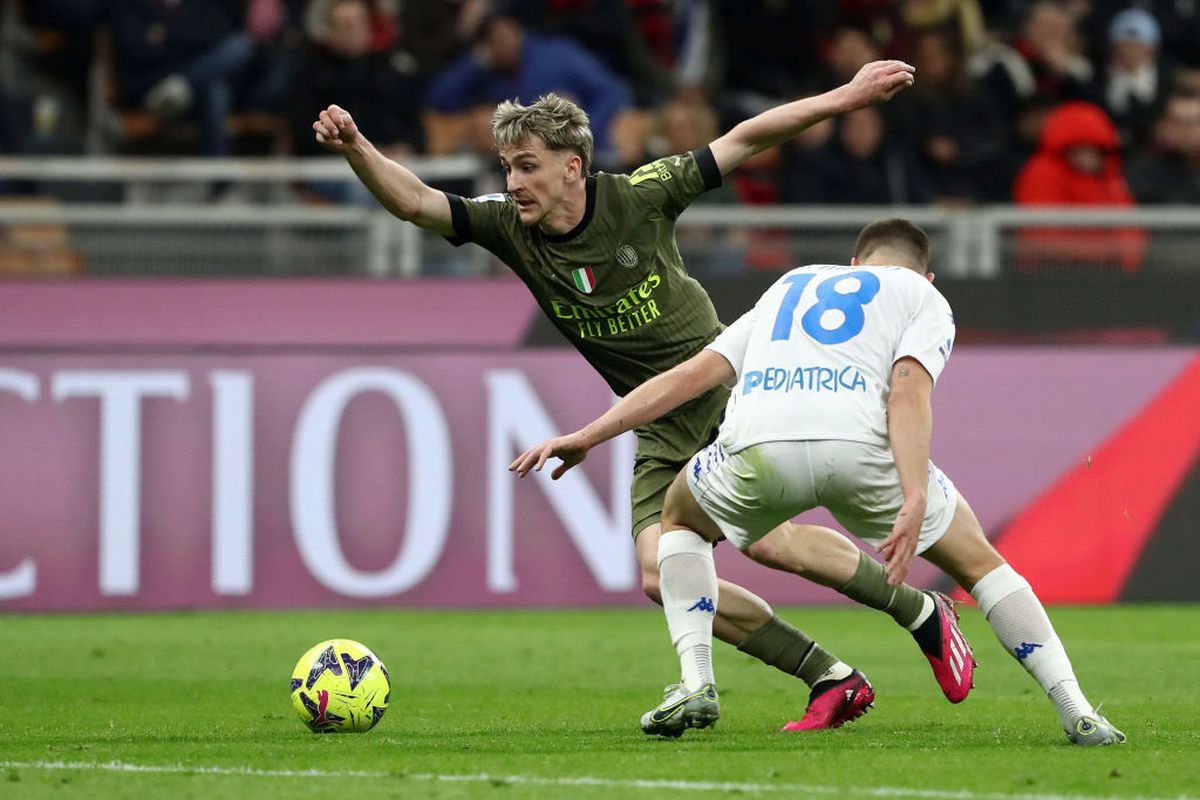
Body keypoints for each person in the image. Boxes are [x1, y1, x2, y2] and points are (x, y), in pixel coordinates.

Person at [311, 60, 976, 732]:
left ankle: (920, 612)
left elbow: (744, 139)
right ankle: (830, 675)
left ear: (572, 166)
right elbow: (416, 202)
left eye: (528, 166)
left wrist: (847, 95)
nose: (513, 183)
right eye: (507, 167)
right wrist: (357, 148)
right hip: (655, 421)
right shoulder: (506, 226)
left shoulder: (638, 196)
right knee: (661, 575)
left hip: (723, 395)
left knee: (773, 546)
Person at [511, 219, 1127, 747]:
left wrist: (590, 434)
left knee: (678, 522)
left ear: (853, 264)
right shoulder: (923, 298)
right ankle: (1077, 710)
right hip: (862, 453)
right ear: (925, 275)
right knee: (985, 567)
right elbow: (909, 391)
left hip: (757, 448)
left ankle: (697, 683)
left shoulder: (793, 283)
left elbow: (696, 373)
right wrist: (913, 493)